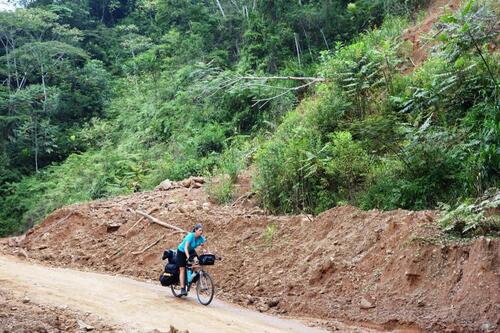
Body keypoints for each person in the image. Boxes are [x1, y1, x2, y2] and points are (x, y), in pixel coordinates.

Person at [176, 223, 206, 296]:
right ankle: (183, 288)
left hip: (191, 250)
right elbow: (186, 247)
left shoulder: (201, 238)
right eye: (199, 230)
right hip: (182, 251)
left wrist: (206, 252)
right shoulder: (190, 236)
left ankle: (191, 276)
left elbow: (204, 247)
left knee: (197, 262)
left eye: (202, 230)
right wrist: (188, 257)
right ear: (195, 230)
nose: (201, 232)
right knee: (182, 269)